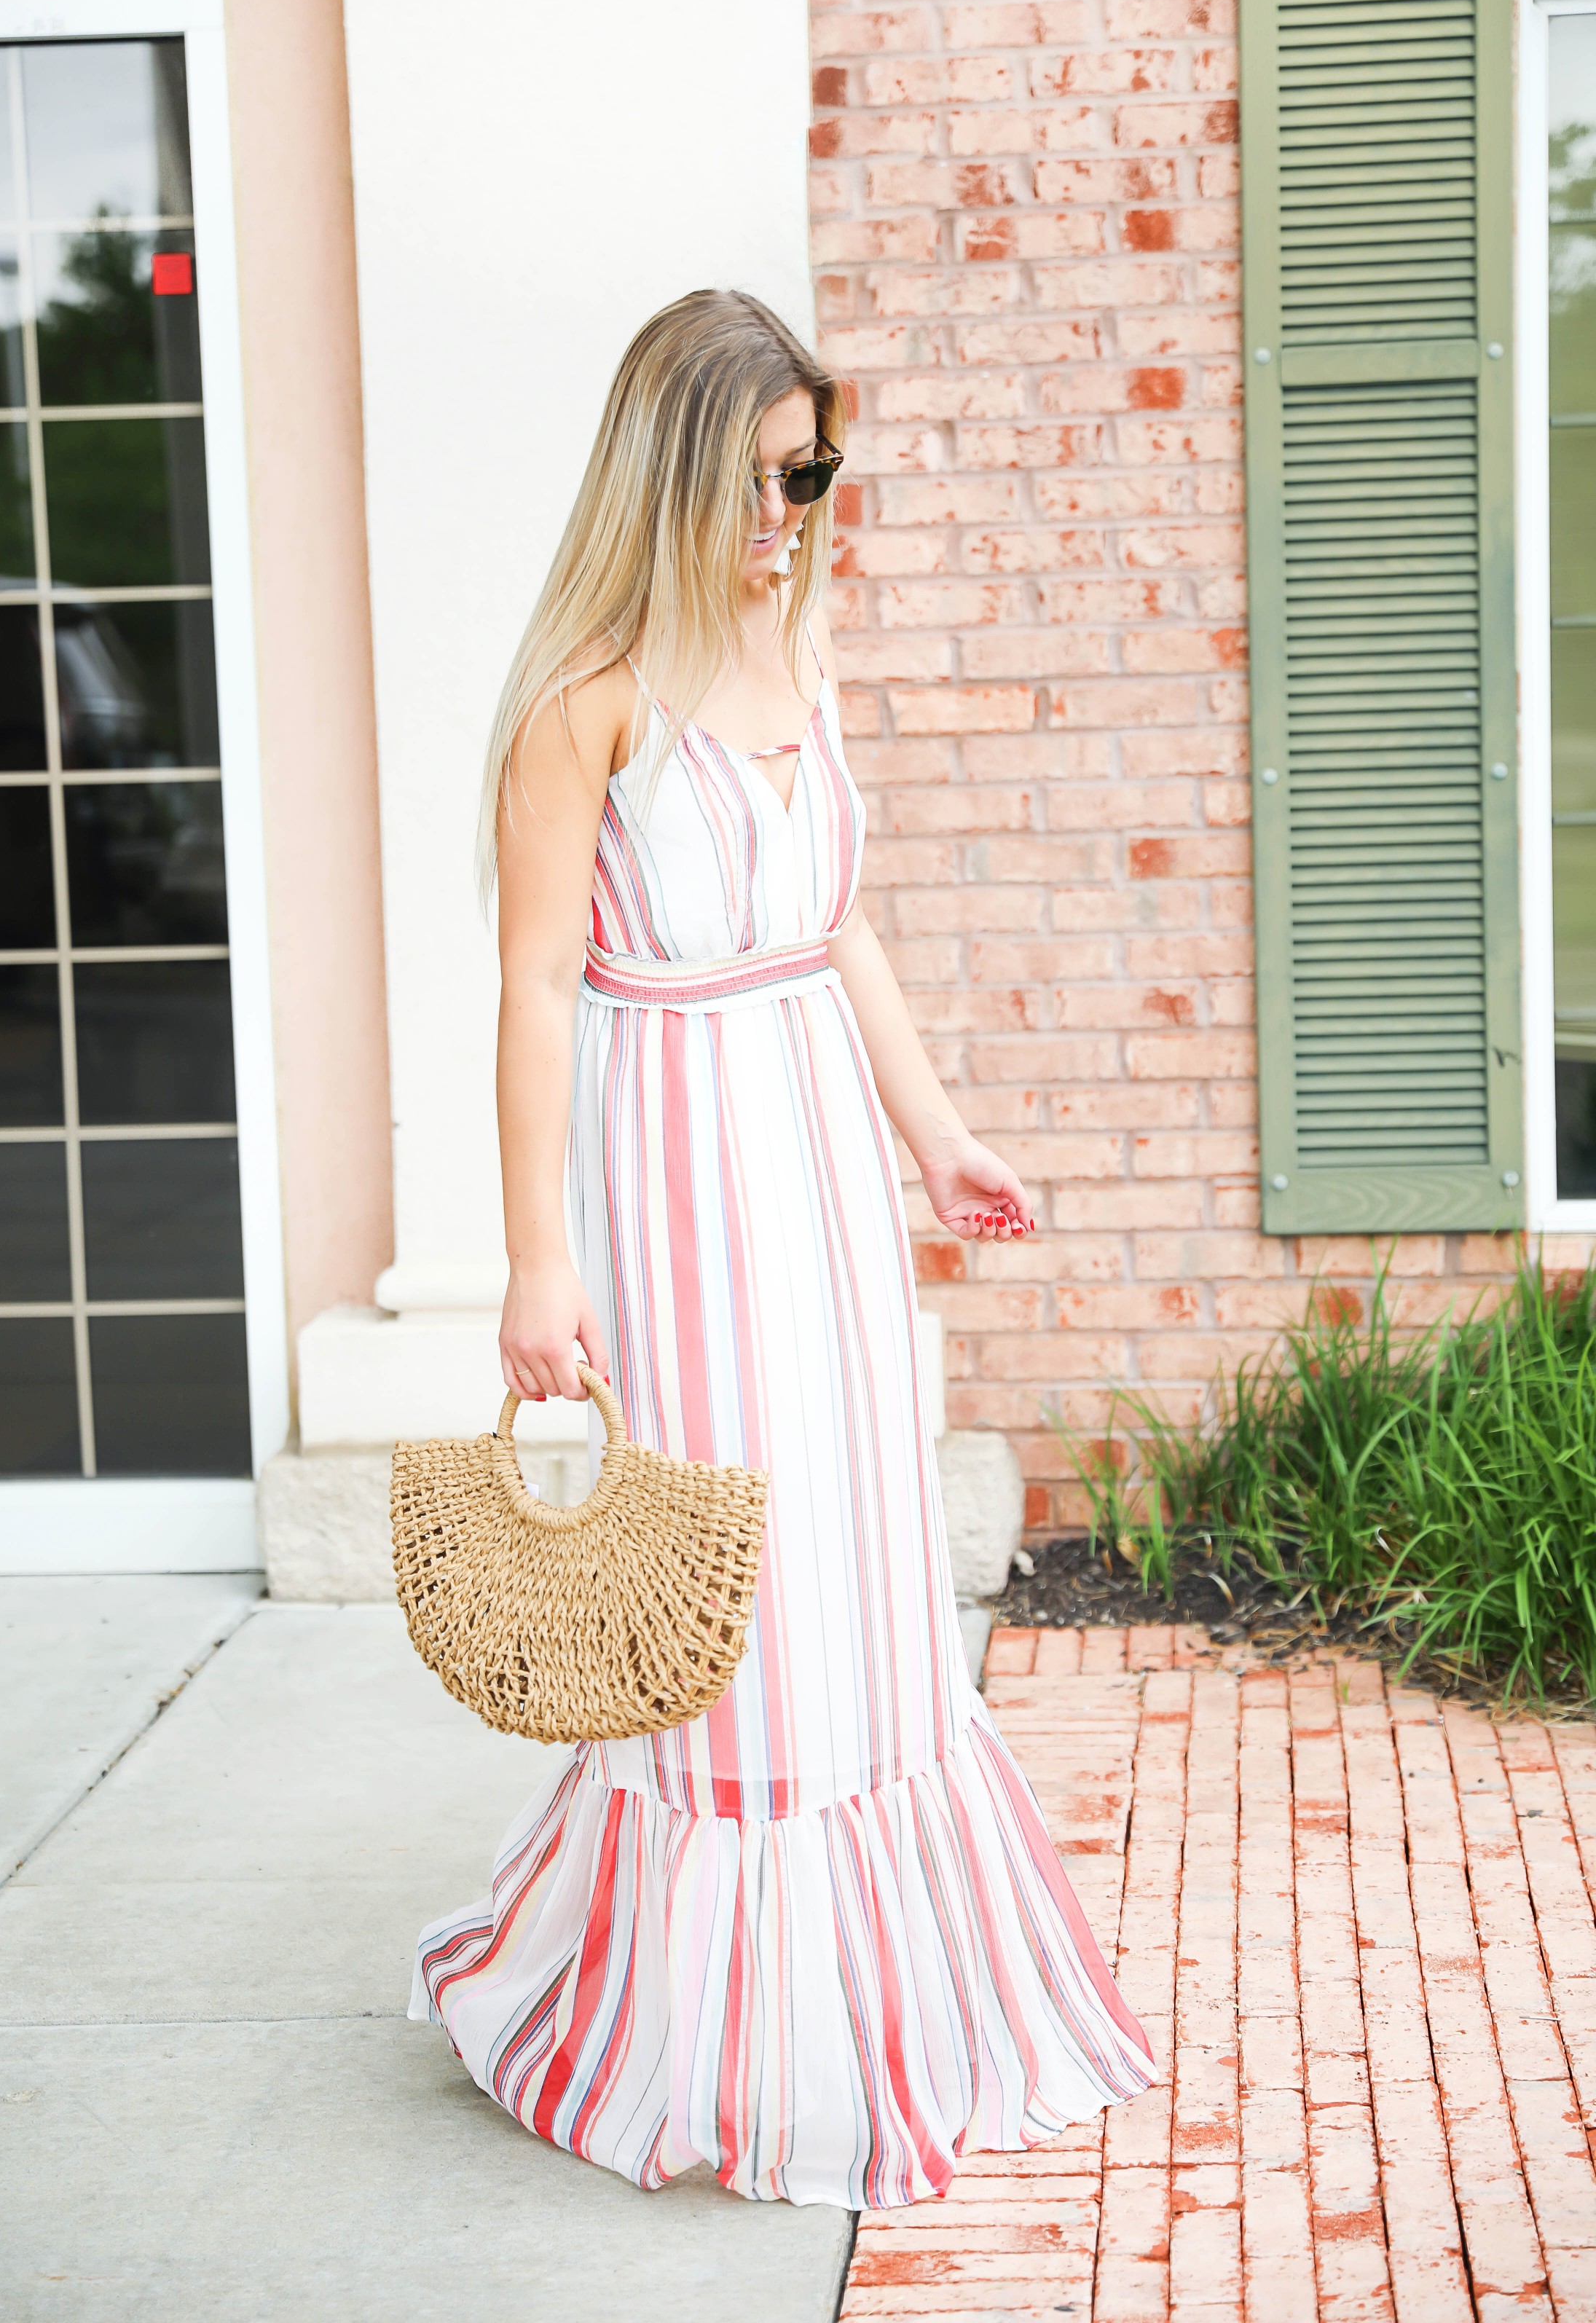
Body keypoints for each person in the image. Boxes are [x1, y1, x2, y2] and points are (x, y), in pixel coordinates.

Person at [409, 288, 1154, 2206]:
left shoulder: (795, 647)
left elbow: (840, 929)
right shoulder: (587, 698)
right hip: (671, 1166)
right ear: (669, 473)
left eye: (815, 473)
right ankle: (721, 2034)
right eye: (762, 478)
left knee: (860, 1559)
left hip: (816, 1150)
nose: (793, 513)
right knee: (739, 1585)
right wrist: (533, 1260)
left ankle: (887, 1991)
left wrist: (937, 1134)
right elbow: (529, 987)